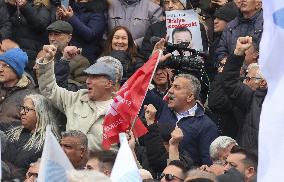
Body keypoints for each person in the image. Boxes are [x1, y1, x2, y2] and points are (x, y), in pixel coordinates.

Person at [37, 44, 119, 151]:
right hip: (68, 164)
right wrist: (48, 61)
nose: (88, 81)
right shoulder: (76, 98)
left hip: (100, 166)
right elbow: (49, 90)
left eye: (94, 77)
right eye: (88, 76)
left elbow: (120, 151)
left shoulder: (120, 111)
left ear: (109, 83)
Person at [144, 74, 218, 166]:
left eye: (176, 87)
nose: (170, 90)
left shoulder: (207, 126)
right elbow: (141, 87)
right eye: (171, 86)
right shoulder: (163, 108)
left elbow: (207, 165)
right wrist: (158, 61)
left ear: (190, 97)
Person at [222, 36, 267, 149]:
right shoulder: (254, 99)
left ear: (263, 83)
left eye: (249, 79)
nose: (245, 82)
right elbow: (230, 81)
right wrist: (238, 52)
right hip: (249, 158)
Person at [3, 94, 60, 180]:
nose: (22, 112)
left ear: (40, 112)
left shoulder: (50, 143)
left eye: (27, 109)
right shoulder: (13, 132)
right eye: (22, 108)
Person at [140, 0, 208, 59]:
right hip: (163, 70)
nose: (170, 5)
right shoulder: (154, 28)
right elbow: (145, 53)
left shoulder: (198, 27)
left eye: (174, 1)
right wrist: (155, 57)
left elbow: (204, 53)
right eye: (166, 2)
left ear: (184, 5)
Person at [5, 0, 53, 74]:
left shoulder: (42, 6)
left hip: (30, 54)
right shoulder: (10, 6)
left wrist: (24, 6)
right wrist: (10, 6)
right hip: (9, 52)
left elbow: (40, 25)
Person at [215, 0, 263, 64]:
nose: (243, 0)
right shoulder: (230, 26)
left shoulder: (268, 26)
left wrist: (256, 67)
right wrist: (224, 62)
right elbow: (221, 51)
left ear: (258, 3)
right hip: (233, 71)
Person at [0, 48, 36, 131]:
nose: (0, 69)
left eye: (5, 66)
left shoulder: (30, 96)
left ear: (17, 69)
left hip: (12, 142)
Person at [46, 20, 90, 85]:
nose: (52, 39)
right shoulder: (44, 56)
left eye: (56, 35)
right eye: (50, 35)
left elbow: (82, 89)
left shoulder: (80, 62)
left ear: (69, 38)